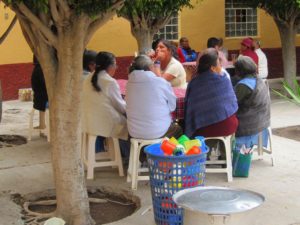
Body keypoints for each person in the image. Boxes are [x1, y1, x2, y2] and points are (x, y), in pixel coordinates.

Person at [81, 51, 129, 157]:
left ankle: (121, 155)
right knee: (130, 123)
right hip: (102, 122)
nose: (116, 68)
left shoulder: (89, 77)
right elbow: (120, 107)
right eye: (115, 65)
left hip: (88, 119)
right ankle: (128, 157)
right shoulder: (109, 82)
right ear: (110, 66)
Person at [184, 48, 238, 138]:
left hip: (204, 129)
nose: (221, 65)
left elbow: (190, 109)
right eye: (219, 63)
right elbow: (233, 103)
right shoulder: (224, 79)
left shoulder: (194, 83)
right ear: (212, 68)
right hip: (229, 126)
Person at [126, 54, 182, 140]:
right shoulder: (160, 82)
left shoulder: (129, 84)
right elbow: (172, 106)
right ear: (150, 67)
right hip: (158, 132)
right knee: (178, 129)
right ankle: (163, 152)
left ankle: (139, 153)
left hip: (134, 132)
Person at [234, 56, 270, 150]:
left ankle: (233, 151)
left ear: (239, 70)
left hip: (249, 124)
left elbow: (232, 105)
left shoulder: (244, 85)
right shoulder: (259, 80)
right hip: (262, 121)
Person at [31, 56, 48, 129]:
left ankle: (42, 124)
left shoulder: (37, 69)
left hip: (39, 99)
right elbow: (45, 84)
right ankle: (43, 125)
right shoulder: (40, 70)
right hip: (42, 100)